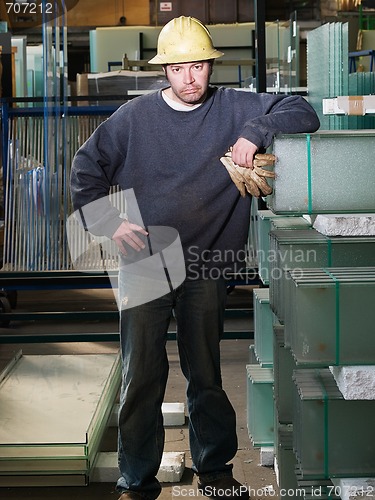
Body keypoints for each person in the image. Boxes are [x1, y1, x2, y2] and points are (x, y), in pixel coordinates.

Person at [70, 16, 320, 500]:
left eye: (200, 66)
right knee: (141, 374)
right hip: (146, 263)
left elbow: (302, 111)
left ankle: (217, 474)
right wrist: (110, 223)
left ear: (211, 67)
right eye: (179, 67)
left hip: (206, 266)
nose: (190, 78)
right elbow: (86, 168)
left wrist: (256, 131)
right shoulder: (135, 119)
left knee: (205, 374)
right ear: (164, 70)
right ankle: (137, 483)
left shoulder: (233, 108)